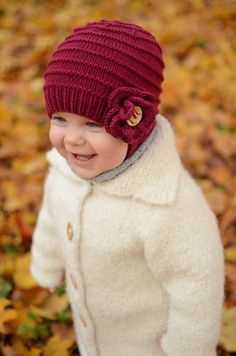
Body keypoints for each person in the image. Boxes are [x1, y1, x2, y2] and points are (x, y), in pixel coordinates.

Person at [30, 19, 224, 356]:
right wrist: (46, 265)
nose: (72, 138)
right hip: (92, 336)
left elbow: (196, 286)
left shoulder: (167, 204)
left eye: (92, 124)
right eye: (60, 118)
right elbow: (51, 217)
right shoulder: (63, 168)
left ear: (136, 124)